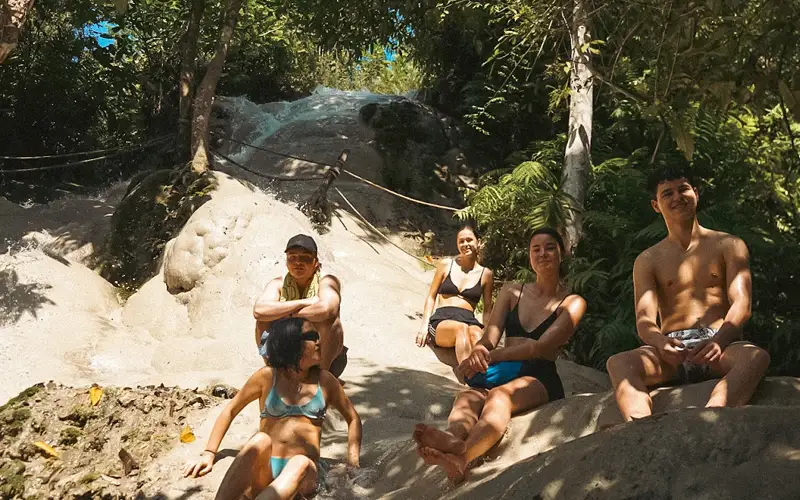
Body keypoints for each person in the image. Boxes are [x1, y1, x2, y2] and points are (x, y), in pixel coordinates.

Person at [413, 228, 586, 483]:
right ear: (529, 256)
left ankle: (462, 456)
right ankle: (452, 438)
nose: (542, 253)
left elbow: (540, 348)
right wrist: (479, 352)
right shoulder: (512, 292)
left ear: (562, 254)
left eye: (549, 247)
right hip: (503, 370)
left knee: (500, 396)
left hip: (539, 375)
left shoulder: (573, 302)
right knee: (467, 398)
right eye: (535, 249)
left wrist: (494, 357)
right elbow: (490, 337)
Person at [606, 166, 771, 422]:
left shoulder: (729, 245)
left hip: (718, 345)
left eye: (683, 189)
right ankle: (641, 425)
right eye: (667, 193)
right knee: (618, 363)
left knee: (756, 357)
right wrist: (661, 343)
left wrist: (719, 341)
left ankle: (712, 413)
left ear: (696, 193)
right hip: (671, 350)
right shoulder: (648, 259)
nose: (677, 197)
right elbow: (645, 320)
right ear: (655, 205)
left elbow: (742, 303)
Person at [182, 317, 362, 500]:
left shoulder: (325, 381)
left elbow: (353, 418)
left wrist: (352, 461)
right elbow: (230, 410)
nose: (319, 341)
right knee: (259, 440)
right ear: (292, 343)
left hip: (304, 476)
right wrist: (209, 453)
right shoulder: (266, 377)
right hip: (267, 471)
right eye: (311, 336)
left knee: (300, 462)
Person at [254, 234, 348, 378]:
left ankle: (322, 379)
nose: (298, 262)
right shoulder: (278, 284)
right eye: (292, 257)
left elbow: (328, 309)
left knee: (330, 322)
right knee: (263, 321)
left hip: (323, 358)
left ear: (315, 262)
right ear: (286, 263)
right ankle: (274, 375)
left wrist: (286, 313)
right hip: (289, 354)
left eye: (305, 258)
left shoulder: (327, 281)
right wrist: (303, 303)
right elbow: (259, 311)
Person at [415, 222, 495, 364]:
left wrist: (487, 336)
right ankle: (468, 374)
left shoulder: (486, 274)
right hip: (442, 319)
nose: (465, 244)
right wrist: (423, 327)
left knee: (477, 335)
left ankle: (485, 377)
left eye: (469, 240)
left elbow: (487, 309)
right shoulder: (446, 265)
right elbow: (431, 297)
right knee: (460, 329)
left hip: (469, 320)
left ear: (479, 242)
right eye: (461, 241)